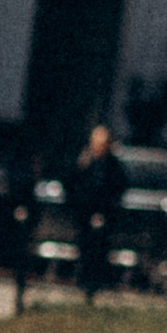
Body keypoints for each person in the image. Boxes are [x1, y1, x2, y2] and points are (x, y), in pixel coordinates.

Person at [68, 120, 128, 301]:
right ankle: (83, 282)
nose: (99, 148)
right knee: (84, 247)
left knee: (101, 249)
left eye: (103, 144)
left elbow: (120, 186)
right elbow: (72, 183)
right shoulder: (84, 161)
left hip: (105, 213)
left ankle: (96, 283)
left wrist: (108, 208)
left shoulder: (113, 165)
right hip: (85, 213)